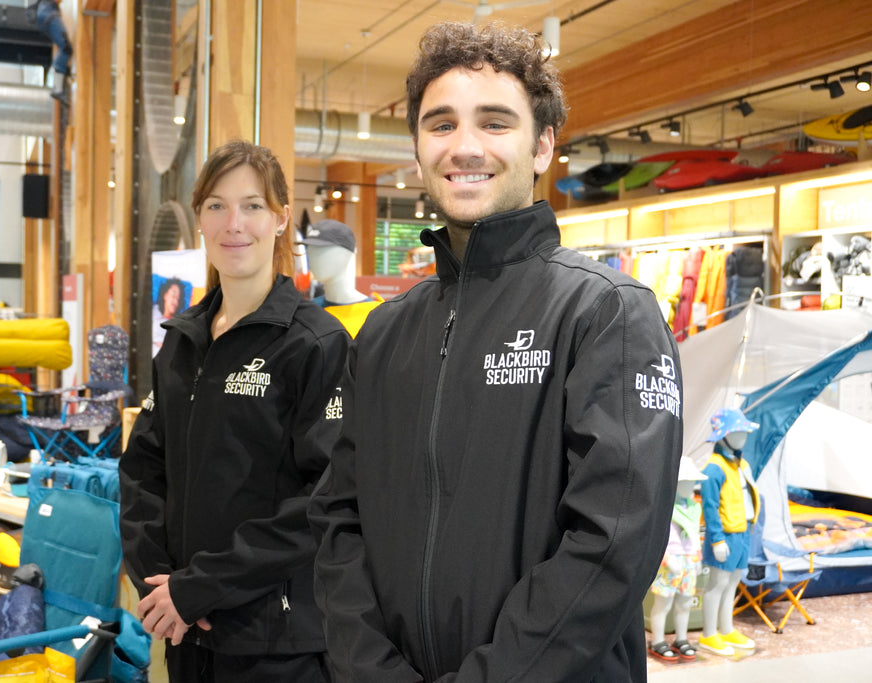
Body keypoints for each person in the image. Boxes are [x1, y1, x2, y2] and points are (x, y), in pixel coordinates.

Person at [309, 21, 683, 682]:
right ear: (419, 147)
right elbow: (339, 522)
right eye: (442, 123)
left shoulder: (606, 312)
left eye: (495, 122)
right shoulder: (384, 334)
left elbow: (612, 543)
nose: (466, 146)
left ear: (542, 146)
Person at [120, 139, 349, 682]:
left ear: (280, 219)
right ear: (199, 217)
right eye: (217, 205)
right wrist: (162, 586)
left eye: (252, 205)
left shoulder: (315, 343)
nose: (234, 223)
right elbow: (143, 470)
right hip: (185, 630)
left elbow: (325, 499)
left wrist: (202, 587)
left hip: (274, 641)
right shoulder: (181, 341)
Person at [699, 407, 760, 657]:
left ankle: (726, 628)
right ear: (723, 435)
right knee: (717, 584)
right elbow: (710, 506)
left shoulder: (741, 464)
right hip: (724, 535)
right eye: (738, 432)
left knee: (732, 582)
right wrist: (716, 539)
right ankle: (708, 634)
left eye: (745, 432)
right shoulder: (714, 468)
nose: (743, 437)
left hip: (742, 532)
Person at [648, 456, 707, 664]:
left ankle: (681, 638)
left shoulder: (693, 507)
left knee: (684, 603)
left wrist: (697, 556)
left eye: (691, 482)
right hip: (670, 561)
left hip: (689, 560)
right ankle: (657, 640)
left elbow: (694, 534)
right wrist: (666, 558)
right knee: (662, 603)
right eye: (685, 482)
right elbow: (658, 536)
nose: (689, 486)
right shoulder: (664, 507)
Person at [298, 219, 380, 337]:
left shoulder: (374, 315)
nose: (312, 256)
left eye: (322, 249)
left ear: (348, 253)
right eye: (310, 249)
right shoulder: (305, 312)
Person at [34, 0, 73, 103]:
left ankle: (61, 78)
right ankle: (58, 88)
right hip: (48, 13)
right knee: (65, 47)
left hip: (47, 14)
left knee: (64, 47)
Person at [151, 277, 187, 353]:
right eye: (173, 296)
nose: (175, 302)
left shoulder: (176, 324)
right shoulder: (153, 310)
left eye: (178, 299)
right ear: (165, 295)